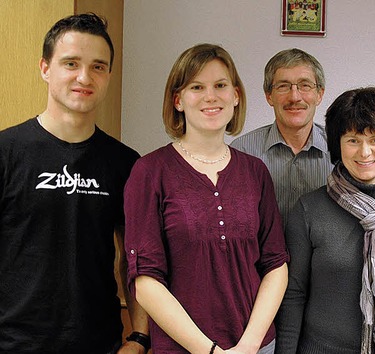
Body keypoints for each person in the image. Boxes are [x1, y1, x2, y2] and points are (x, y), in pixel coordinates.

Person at [124, 44, 289, 354]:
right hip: (183, 348)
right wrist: (210, 351)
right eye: (197, 87)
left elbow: (275, 263)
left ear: (236, 95)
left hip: (257, 347)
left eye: (221, 85)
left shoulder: (255, 171)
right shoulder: (149, 172)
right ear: (178, 100)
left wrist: (249, 345)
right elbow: (145, 281)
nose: (210, 96)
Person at [0, 13, 148, 354]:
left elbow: (135, 258)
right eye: (71, 63)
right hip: (14, 344)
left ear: (109, 75)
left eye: (98, 66)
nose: (85, 77)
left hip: (101, 343)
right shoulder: (7, 152)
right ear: (45, 68)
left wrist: (139, 337)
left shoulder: (126, 163)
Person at [276, 87, 375, 353]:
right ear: (337, 145)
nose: (364, 153)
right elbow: (294, 295)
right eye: (352, 140)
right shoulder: (309, 209)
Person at [230, 48, 333, 226]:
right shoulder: (241, 151)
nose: (294, 96)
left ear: (319, 94)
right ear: (269, 96)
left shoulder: (340, 150)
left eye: (305, 85)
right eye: (283, 86)